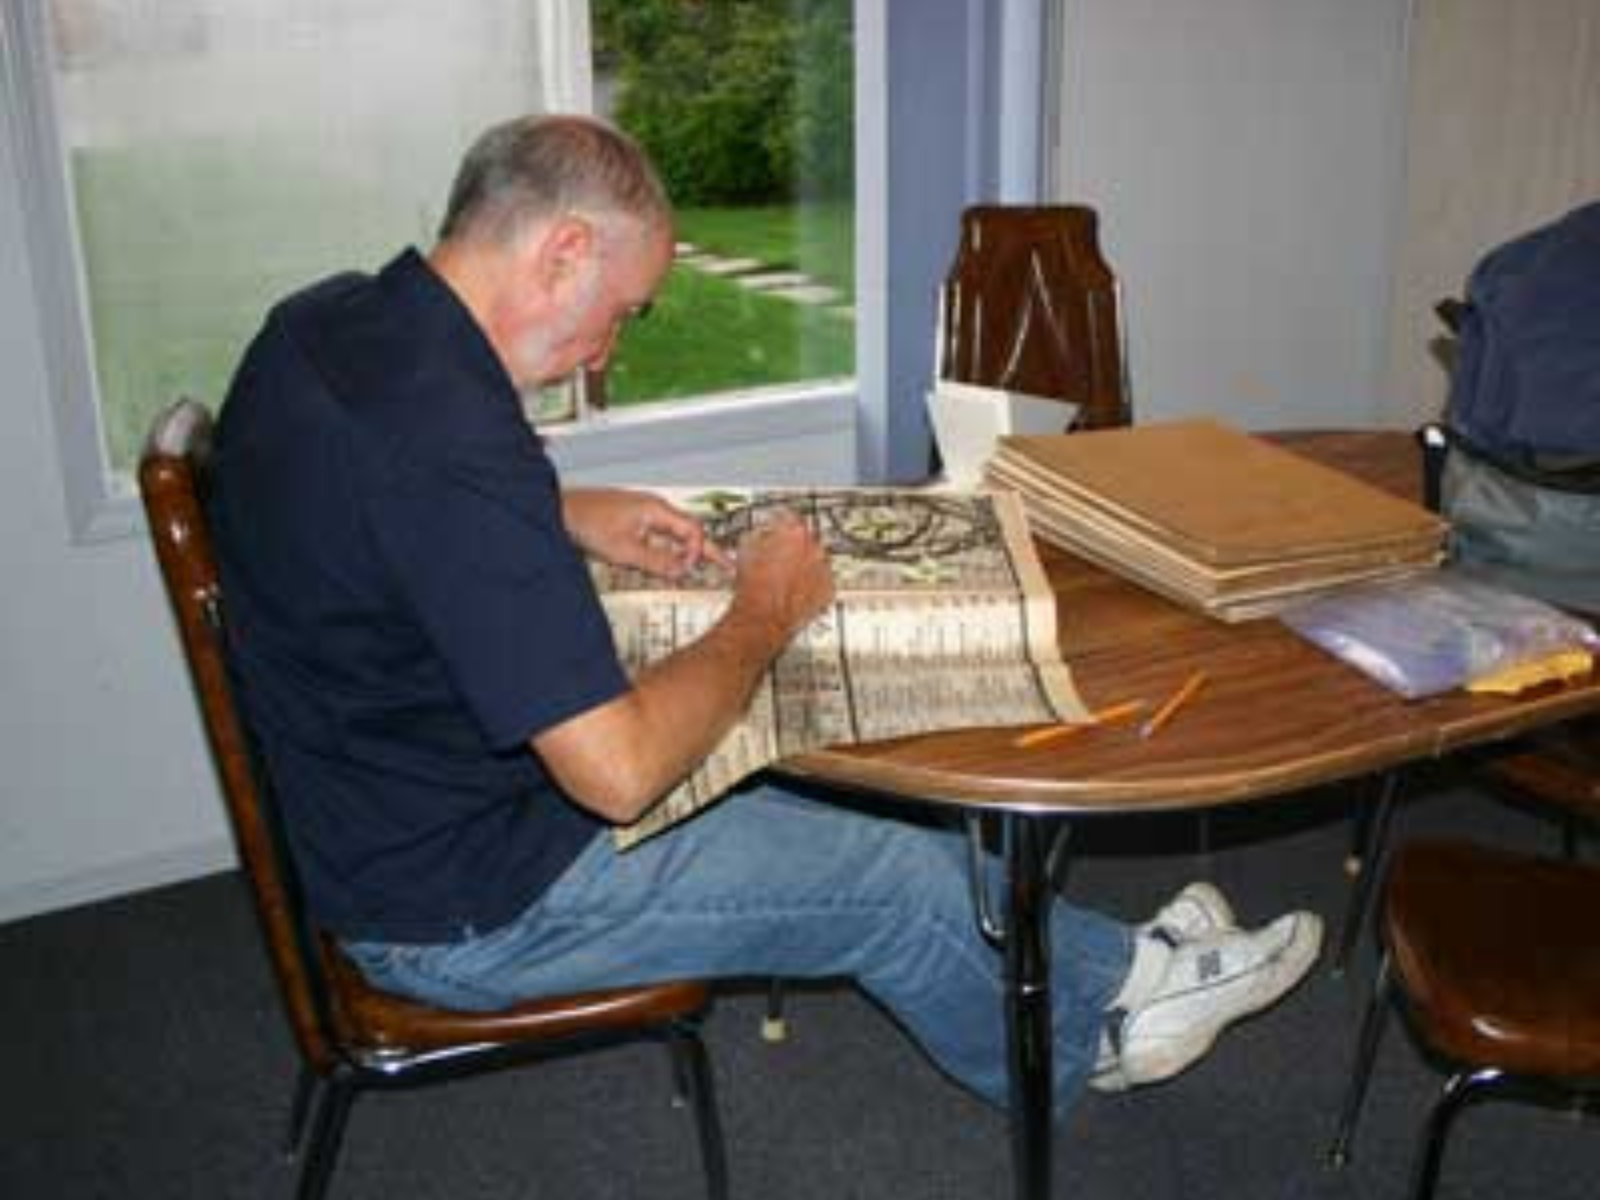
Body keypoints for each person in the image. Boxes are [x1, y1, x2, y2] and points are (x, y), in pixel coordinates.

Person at [210, 113, 1322, 1112]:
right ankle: (1113, 1022)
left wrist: (565, 508)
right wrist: (763, 611)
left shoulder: (329, 328)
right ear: (562, 252)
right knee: (892, 880)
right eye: (621, 314)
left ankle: (1114, 959)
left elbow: (376, 505)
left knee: (863, 824)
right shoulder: (456, 449)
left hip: (385, 815)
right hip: (463, 906)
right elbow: (619, 770)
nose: (604, 358)